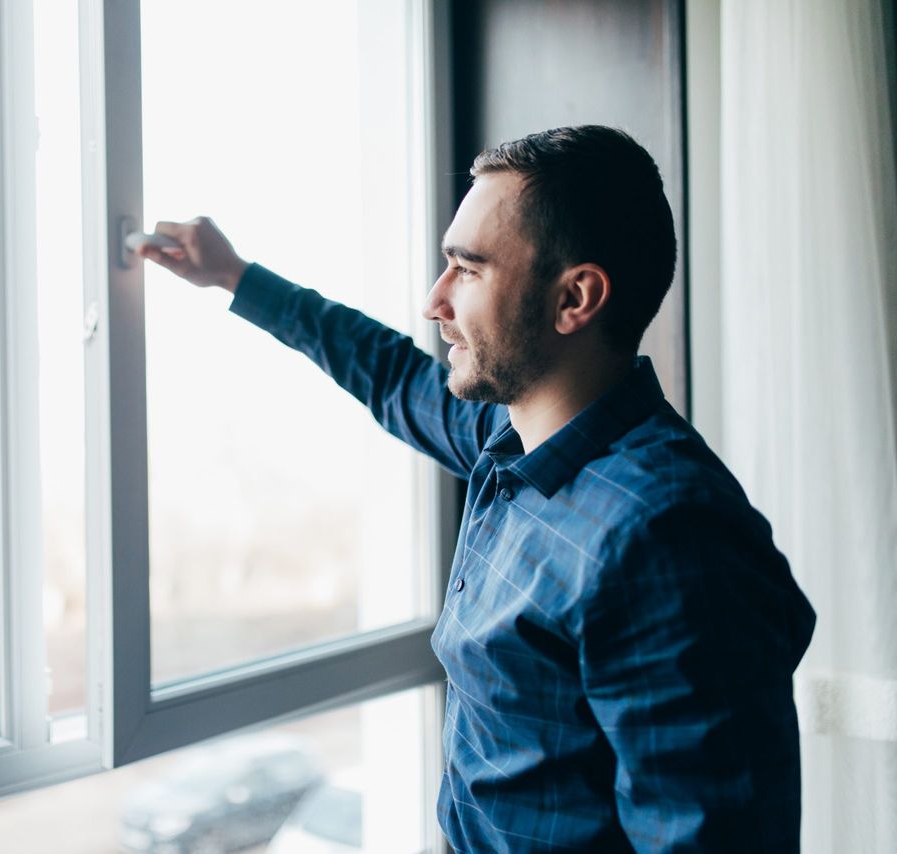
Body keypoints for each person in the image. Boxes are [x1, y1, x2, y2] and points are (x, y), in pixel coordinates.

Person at [135, 125, 816, 853]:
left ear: (575, 298)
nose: (435, 302)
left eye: (468, 268)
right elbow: (392, 374)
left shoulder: (664, 534)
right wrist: (237, 276)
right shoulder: (510, 445)